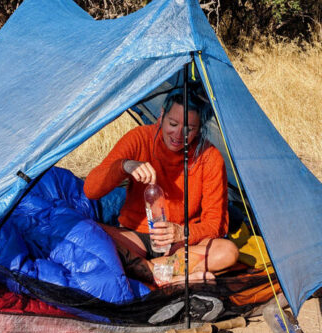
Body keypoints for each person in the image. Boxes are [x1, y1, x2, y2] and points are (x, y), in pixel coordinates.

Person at [84, 88, 239, 286]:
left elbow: (215, 225)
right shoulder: (140, 138)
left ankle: (146, 270)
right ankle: (171, 276)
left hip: (182, 245)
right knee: (84, 230)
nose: (178, 134)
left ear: (199, 128)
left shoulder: (210, 157)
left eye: (189, 128)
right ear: (161, 116)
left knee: (227, 252)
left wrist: (181, 232)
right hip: (135, 238)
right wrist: (124, 166)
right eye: (172, 124)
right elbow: (90, 190)